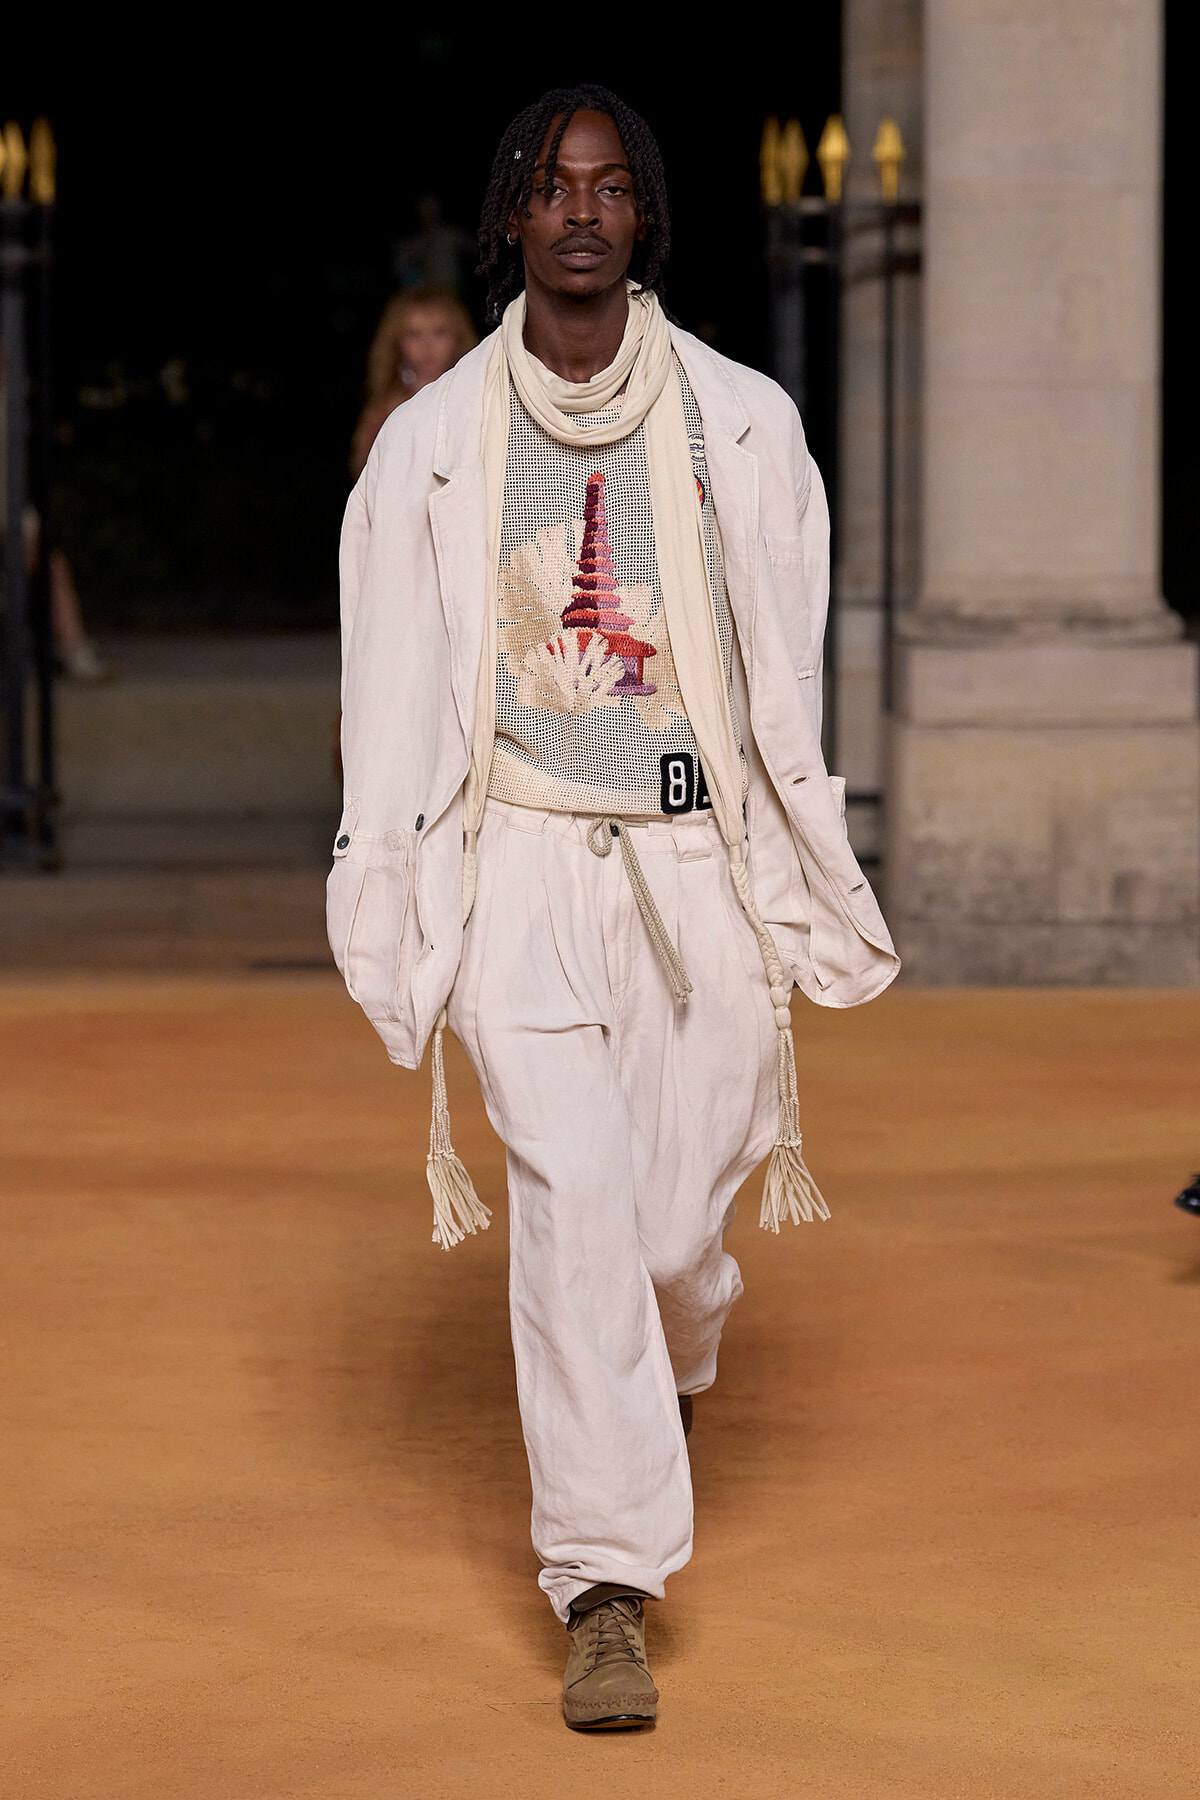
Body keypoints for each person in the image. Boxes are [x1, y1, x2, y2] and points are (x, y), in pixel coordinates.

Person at [330, 86, 899, 1732]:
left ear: (644, 215)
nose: (579, 211)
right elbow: (388, 695)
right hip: (520, 867)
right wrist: (389, 891)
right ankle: (604, 1586)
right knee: (575, 1214)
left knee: (664, 1243)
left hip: (690, 870)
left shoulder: (742, 423)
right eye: (550, 186)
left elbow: (785, 676)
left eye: (608, 187)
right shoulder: (431, 446)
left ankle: (676, 1363)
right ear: (510, 216)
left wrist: (788, 853)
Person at [349, 285, 476, 477]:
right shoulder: (385, 409)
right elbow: (365, 474)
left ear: (457, 338)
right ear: (396, 342)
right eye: (414, 334)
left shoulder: (474, 398)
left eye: (439, 332)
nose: (427, 345)